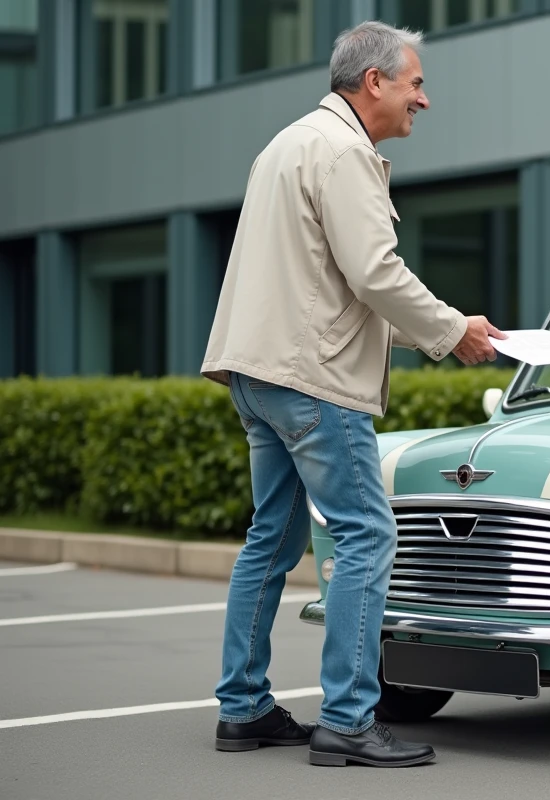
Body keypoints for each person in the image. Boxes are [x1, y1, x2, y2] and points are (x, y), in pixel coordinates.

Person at [200, 21, 505, 768]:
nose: (423, 100)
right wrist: (452, 331)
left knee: (272, 538)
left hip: (258, 372)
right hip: (314, 383)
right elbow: (374, 274)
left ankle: (241, 709)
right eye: (415, 83)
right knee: (368, 534)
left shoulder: (287, 144)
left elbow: (328, 287)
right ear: (375, 82)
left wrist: (441, 330)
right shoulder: (345, 152)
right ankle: (348, 719)